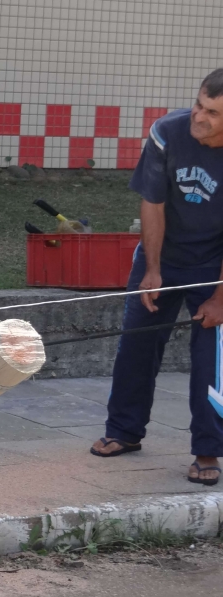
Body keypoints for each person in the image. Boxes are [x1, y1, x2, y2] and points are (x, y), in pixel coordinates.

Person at [91, 68, 223, 486]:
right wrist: (152, 270)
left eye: (214, 113)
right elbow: (153, 202)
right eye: (199, 105)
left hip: (215, 265)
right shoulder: (167, 132)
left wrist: (220, 298)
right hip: (163, 254)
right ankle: (124, 431)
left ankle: (207, 450)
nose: (199, 118)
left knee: (211, 359)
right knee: (137, 341)